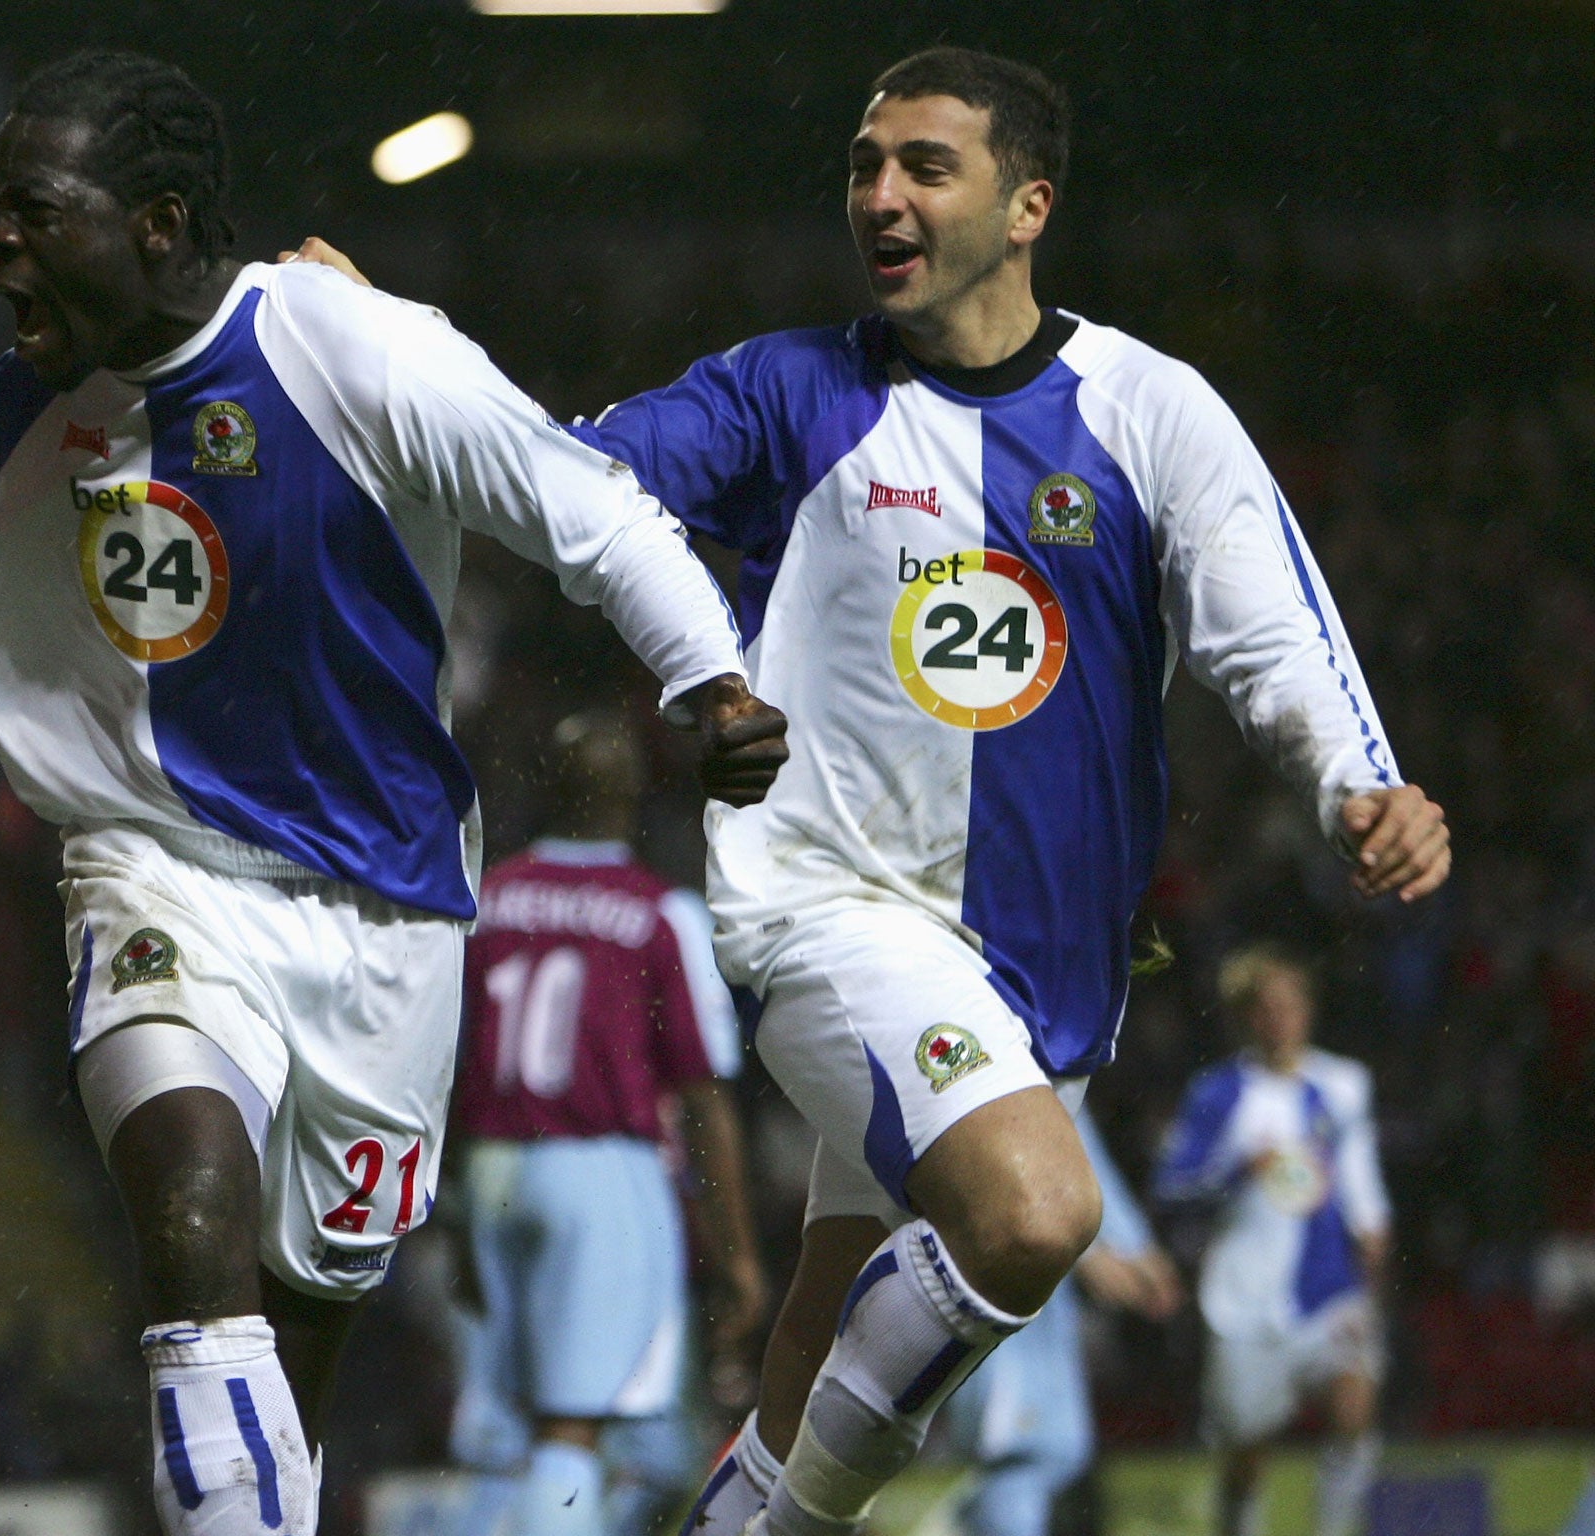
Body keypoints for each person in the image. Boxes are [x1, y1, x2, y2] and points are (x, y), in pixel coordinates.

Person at [0, 50, 786, 1536]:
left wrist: (706, 677)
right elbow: (30, 593)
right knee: (189, 1213)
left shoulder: (358, 353)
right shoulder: (43, 394)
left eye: (34, 209)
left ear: (159, 221)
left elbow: (587, 512)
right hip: (157, 863)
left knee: (298, 1320)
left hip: (384, 914)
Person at [483, 42, 1445, 1536]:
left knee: (812, 1358)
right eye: (866, 165)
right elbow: (558, 477)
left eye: (926, 166)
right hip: (829, 909)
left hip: (1036, 967)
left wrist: (1358, 786)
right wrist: (389, 349)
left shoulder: (1145, 408)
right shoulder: (790, 394)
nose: (881, 195)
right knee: (1034, 1214)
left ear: (1025, 206)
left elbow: (1271, 631)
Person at [446, 707, 763, 1536]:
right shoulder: (658, 913)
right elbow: (702, 1094)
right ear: (639, 792)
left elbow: (443, 1063)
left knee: (516, 1435)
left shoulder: (489, 897)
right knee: (574, 1433)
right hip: (599, 1168)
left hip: (491, 1168)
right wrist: (737, 1258)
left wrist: (452, 1213)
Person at [1154, 947, 1390, 1536]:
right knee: (1248, 1453)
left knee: (1353, 1408)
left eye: (1292, 1005)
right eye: (1268, 1008)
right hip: (1246, 1299)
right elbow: (1173, 1185)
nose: (1283, 1019)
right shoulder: (1218, 1093)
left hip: (1329, 1285)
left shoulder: (1342, 1083)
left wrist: (1373, 1225)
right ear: (1247, 1017)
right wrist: (1239, 1169)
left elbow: (1357, 1168)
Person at [942, 1106, 1180, 1536]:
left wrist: (1136, 1246)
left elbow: (1080, 1156)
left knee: (1060, 1449)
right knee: (1016, 1450)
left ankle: (973, 1520)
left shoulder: (1049, 1071)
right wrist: (1084, 1253)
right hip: (993, 1288)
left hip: (1046, 1307)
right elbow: (973, 1169)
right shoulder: (977, 1064)